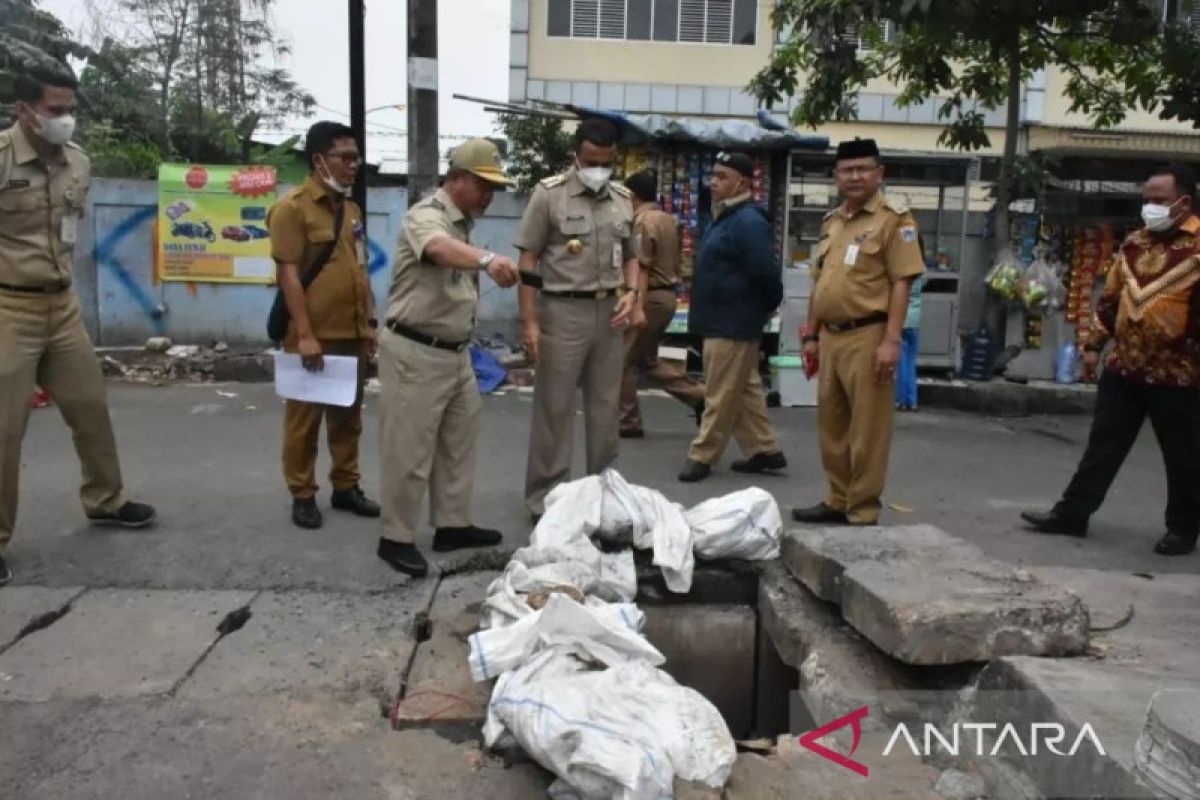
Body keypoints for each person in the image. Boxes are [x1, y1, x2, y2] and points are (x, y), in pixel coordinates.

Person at [0, 69, 156, 587]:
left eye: (70, 109)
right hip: (8, 308)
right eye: (54, 110)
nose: (64, 119)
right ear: (25, 111)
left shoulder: (79, 163)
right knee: (4, 431)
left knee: (90, 407)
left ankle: (105, 500)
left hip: (61, 306)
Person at [1022, 164, 1200, 557]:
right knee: (1103, 445)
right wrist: (1092, 346)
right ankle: (1072, 514)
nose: (1150, 208)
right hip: (1124, 367)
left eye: (1159, 201)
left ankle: (1183, 529)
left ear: (1183, 202)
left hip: (1180, 373)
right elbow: (1110, 300)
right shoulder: (1134, 243)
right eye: (1147, 201)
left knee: (1183, 454)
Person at [376, 139, 521, 577]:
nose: (489, 195)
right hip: (415, 351)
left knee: (459, 441)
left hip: (455, 354)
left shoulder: (463, 224)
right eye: (482, 185)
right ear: (456, 179)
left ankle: (452, 524)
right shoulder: (427, 216)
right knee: (410, 449)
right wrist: (489, 259)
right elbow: (437, 250)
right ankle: (395, 537)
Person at [792, 138, 924, 525]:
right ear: (836, 177)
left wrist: (891, 340)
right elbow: (821, 283)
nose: (855, 176)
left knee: (868, 430)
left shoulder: (894, 220)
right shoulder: (832, 222)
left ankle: (862, 508)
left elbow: (902, 281)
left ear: (879, 173)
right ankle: (837, 497)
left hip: (869, 336)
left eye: (863, 169)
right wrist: (811, 336)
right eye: (847, 170)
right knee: (831, 426)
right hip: (830, 336)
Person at [516, 117, 641, 519]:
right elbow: (528, 259)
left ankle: (602, 495)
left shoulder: (622, 198)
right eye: (591, 160)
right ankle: (547, 498)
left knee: (606, 410)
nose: (598, 169)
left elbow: (634, 256)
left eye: (606, 162)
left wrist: (633, 293)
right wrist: (530, 322)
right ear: (576, 155)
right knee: (554, 407)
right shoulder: (549, 196)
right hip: (561, 310)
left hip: (609, 313)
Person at [269, 121, 378, 530]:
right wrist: (305, 335)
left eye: (356, 158)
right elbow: (289, 276)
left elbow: (360, 269)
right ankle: (302, 493)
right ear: (319, 160)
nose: (354, 165)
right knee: (304, 421)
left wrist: (368, 325)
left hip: (351, 334)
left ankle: (346, 487)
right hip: (311, 337)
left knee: (348, 418)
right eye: (345, 158)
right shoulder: (291, 208)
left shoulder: (351, 210)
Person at [678, 151, 787, 483]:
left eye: (722, 176)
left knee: (720, 393)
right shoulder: (725, 218)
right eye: (713, 176)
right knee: (745, 389)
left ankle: (702, 455)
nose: (713, 182)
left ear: (742, 183)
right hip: (722, 319)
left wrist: (769, 304)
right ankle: (764, 450)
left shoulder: (747, 221)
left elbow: (763, 272)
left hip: (733, 322)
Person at [619, 169, 705, 438]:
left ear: (632, 196)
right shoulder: (667, 219)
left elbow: (642, 267)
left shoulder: (643, 222)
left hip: (649, 296)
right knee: (646, 360)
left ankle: (627, 421)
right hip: (666, 295)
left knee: (623, 362)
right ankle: (700, 396)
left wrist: (636, 306)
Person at [895, 259, 927, 412]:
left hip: (902, 320)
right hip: (914, 321)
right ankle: (912, 401)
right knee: (911, 363)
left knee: (901, 364)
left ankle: (901, 401)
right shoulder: (922, 270)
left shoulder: (901, 270)